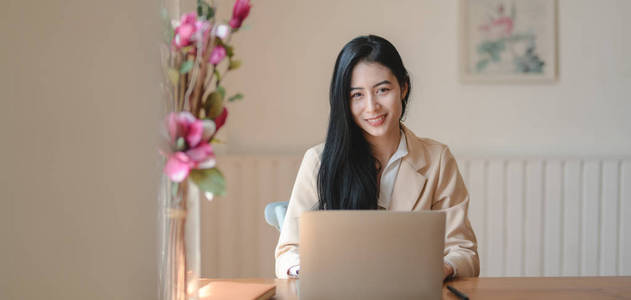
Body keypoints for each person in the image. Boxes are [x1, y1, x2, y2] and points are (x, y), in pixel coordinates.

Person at [274, 35, 480, 280]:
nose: (372, 107)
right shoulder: (318, 161)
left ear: (403, 87)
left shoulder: (438, 160)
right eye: (357, 95)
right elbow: (288, 251)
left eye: (382, 90)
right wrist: (307, 270)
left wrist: (442, 268)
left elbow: (464, 252)